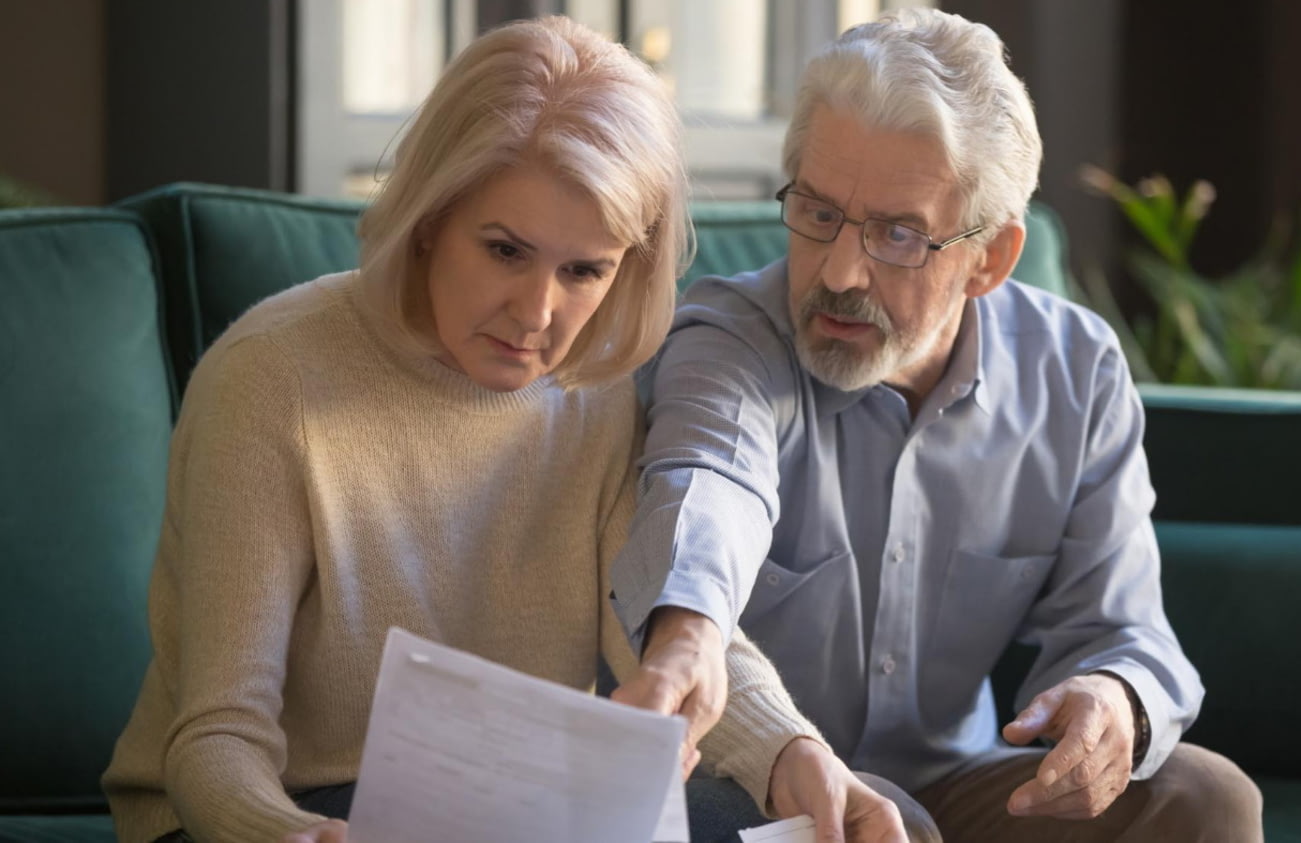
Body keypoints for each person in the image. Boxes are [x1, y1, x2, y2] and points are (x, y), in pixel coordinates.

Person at [101, 17, 905, 843]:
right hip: (263, 811)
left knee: (828, 817)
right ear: (427, 219)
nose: (536, 314)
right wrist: (286, 833)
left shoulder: (595, 392)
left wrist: (792, 750)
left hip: (507, 810)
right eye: (505, 250)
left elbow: (666, 639)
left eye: (584, 269)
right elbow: (215, 738)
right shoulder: (270, 377)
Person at [608, 8, 1264, 842]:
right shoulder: (729, 338)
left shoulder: (1076, 373)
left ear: (989, 258)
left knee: (1207, 795)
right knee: (888, 824)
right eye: (818, 212)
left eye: (897, 235)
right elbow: (707, 485)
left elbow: (1123, 627)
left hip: (967, 787)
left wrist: (1115, 700)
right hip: (763, 789)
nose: (840, 271)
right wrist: (688, 636)